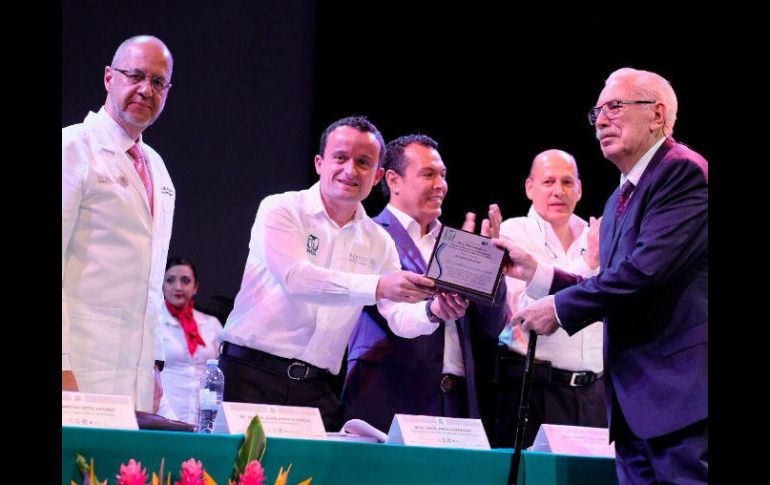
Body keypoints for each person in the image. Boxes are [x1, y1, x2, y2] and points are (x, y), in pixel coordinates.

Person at [495, 68, 707, 484]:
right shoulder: (616, 200)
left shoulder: (682, 172)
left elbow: (643, 273)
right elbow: (612, 284)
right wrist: (540, 273)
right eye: (597, 113)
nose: (602, 121)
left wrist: (557, 309)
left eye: (615, 107)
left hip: (678, 396)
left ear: (658, 114)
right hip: (633, 405)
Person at [218, 116, 465, 430]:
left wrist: (433, 311)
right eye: (340, 158)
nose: (350, 170)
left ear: (377, 176)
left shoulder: (379, 241)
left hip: (316, 388)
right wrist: (378, 286)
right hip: (249, 373)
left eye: (363, 162)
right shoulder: (282, 209)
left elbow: (400, 317)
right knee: (237, 477)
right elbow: (297, 279)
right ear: (320, 163)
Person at [341, 134, 509, 433]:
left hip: (454, 401)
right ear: (393, 180)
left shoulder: (456, 243)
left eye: (443, 175)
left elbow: (491, 329)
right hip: (385, 395)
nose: (440, 184)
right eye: (428, 174)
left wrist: (490, 268)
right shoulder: (366, 235)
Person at [62, 35, 176, 412]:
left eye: (158, 82)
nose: (146, 90)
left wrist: (155, 363)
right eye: (136, 76)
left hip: (136, 371)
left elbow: (152, 279)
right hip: (79, 362)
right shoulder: (72, 148)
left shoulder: (158, 168)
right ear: (109, 78)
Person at [487, 149, 606, 448]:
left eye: (567, 182)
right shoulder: (514, 233)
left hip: (594, 390)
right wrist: (589, 263)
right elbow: (523, 314)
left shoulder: (596, 233)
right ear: (529, 187)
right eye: (548, 182)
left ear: (579, 189)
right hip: (535, 388)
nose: (559, 191)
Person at [156, 258, 222, 425]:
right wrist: (169, 418)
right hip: (166, 417)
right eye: (170, 280)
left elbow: (221, 371)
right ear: (162, 286)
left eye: (185, 280)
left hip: (206, 419)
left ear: (195, 287)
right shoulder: (154, 322)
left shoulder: (211, 324)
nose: (178, 287)